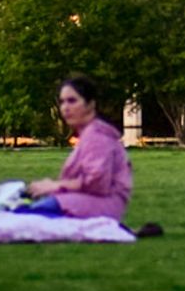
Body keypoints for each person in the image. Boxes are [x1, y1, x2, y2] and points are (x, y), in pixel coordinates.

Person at [19, 75, 132, 220]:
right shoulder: (88, 135)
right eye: (62, 102)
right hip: (84, 202)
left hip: (101, 206)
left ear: (90, 104)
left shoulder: (97, 136)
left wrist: (54, 186)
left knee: (21, 217)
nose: (65, 107)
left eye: (72, 101)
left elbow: (97, 184)